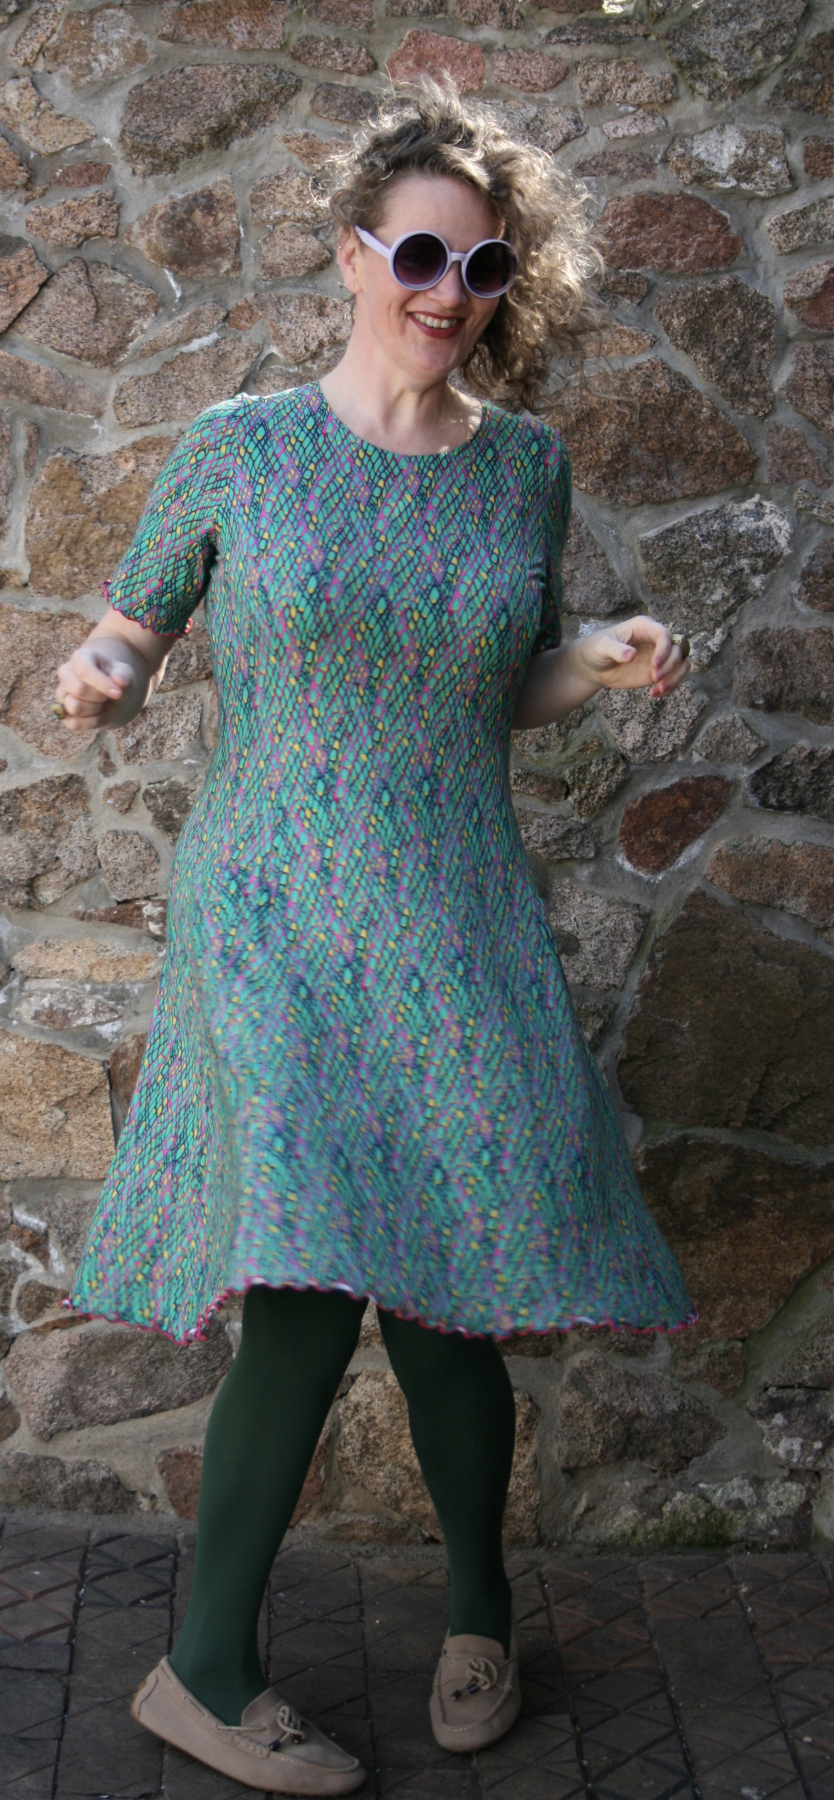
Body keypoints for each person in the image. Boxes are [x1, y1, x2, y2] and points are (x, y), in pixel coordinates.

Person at [52, 82, 694, 1798]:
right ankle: (203, 1668)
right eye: (417, 254)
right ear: (352, 256)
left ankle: (481, 1613)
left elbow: (506, 685)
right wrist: (102, 675)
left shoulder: (524, 470)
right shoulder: (241, 446)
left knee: (450, 1294)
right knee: (301, 1282)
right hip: (270, 908)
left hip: (453, 909)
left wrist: (595, 661)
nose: (445, 290)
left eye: (481, 265)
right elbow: (133, 628)